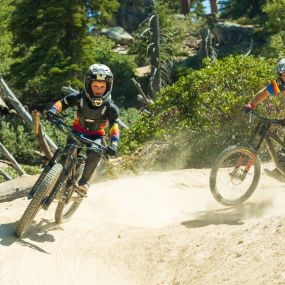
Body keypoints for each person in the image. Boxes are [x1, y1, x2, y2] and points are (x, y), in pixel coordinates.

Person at [47, 64, 120, 195]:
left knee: (95, 152)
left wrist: (114, 144)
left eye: (102, 87)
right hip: (77, 130)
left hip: (96, 135)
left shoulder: (111, 107)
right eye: (95, 86)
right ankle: (57, 179)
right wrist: (53, 110)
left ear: (108, 87)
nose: (98, 90)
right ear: (88, 84)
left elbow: (114, 125)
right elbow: (63, 102)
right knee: (67, 154)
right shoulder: (79, 97)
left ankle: (84, 182)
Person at [244, 58, 285, 181]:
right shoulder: (280, 84)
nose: (284, 77)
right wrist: (251, 104)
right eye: (283, 74)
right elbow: (264, 92)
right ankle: (281, 170)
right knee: (282, 154)